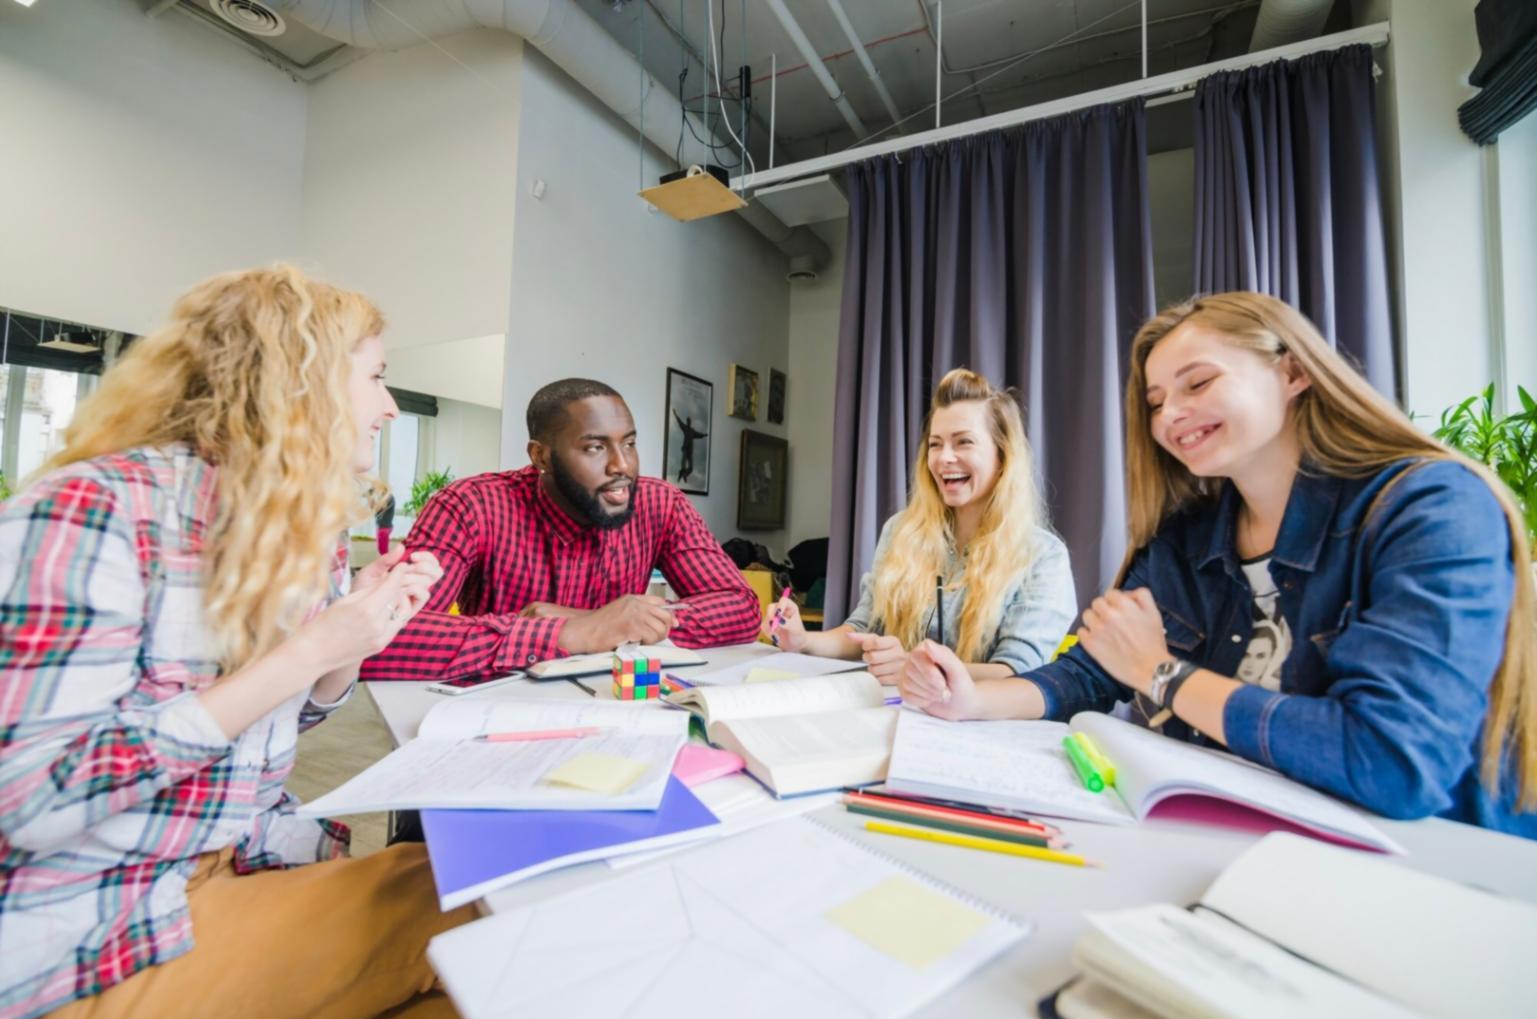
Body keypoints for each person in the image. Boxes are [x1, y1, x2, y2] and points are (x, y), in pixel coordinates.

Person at [0, 265, 476, 1019]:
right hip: (102, 927)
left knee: (476, 916)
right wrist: (306, 649)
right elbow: (30, 798)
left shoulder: (297, 531)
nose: (388, 406)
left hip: (241, 863)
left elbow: (272, 730)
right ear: (299, 380)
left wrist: (352, 632)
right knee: (479, 924)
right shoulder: (91, 509)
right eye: (378, 378)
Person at [901, 293, 1537, 837]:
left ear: (1292, 373)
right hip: (1248, 840)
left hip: (1435, 866)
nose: (1171, 414)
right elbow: (1087, 677)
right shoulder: (1185, 538)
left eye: (1198, 383)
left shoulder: (1432, 508)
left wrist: (1161, 672)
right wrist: (971, 703)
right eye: (1154, 401)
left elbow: (1392, 764)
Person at [362, 378, 760, 680]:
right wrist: (568, 633)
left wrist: (601, 622)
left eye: (630, 444)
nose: (622, 465)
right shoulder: (471, 505)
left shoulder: (661, 504)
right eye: (595, 447)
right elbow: (381, 636)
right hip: (494, 719)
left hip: (620, 710)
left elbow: (741, 609)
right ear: (541, 456)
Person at [764, 368, 1077, 685]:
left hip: (985, 727)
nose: (944, 458)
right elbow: (863, 629)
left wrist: (917, 670)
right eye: (935, 444)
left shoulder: (1043, 556)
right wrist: (803, 640)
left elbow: (1016, 672)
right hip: (898, 715)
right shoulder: (900, 531)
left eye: (963, 442)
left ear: (1002, 457)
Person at [671, 408, 707, 485]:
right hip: (685, 449)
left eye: (689, 421)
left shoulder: (692, 431)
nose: (689, 422)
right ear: (687, 422)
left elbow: (698, 434)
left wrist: (704, 435)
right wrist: (675, 414)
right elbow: (679, 421)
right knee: (683, 463)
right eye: (688, 421)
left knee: (691, 468)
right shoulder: (685, 428)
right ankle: (682, 472)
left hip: (690, 451)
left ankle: (684, 474)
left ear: (690, 422)